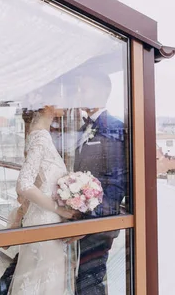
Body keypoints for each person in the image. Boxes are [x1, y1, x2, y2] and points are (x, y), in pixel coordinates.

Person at [7, 103, 78, 295]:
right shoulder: (40, 137)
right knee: (46, 283)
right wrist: (57, 208)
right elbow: (24, 184)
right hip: (44, 222)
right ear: (47, 106)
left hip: (44, 221)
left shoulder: (39, 135)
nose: (67, 100)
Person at [73, 72, 126, 295]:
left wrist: (88, 223)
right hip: (77, 221)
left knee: (90, 284)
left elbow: (117, 184)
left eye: (84, 89)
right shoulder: (80, 129)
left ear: (101, 92)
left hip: (98, 225)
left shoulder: (114, 127)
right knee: (79, 282)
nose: (79, 94)